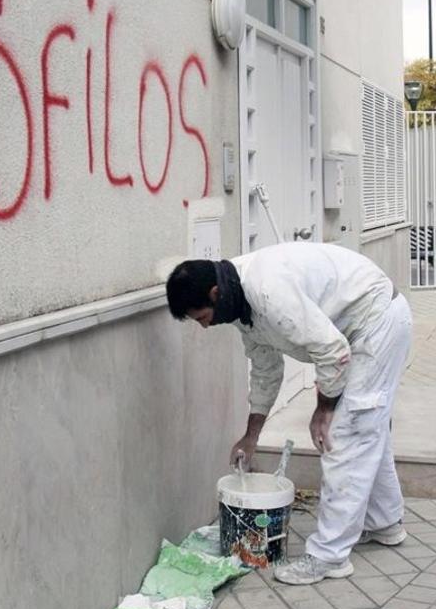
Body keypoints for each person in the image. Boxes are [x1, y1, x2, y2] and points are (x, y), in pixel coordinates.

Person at [165, 242, 413, 585]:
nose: (205, 327)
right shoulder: (239, 303)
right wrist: (250, 438)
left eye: (203, 318)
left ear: (214, 293)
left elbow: (333, 351)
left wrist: (323, 410)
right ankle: (385, 523)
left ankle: (328, 557)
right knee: (368, 430)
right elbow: (266, 371)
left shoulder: (267, 291)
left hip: (375, 324)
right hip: (359, 327)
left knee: (345, 436)